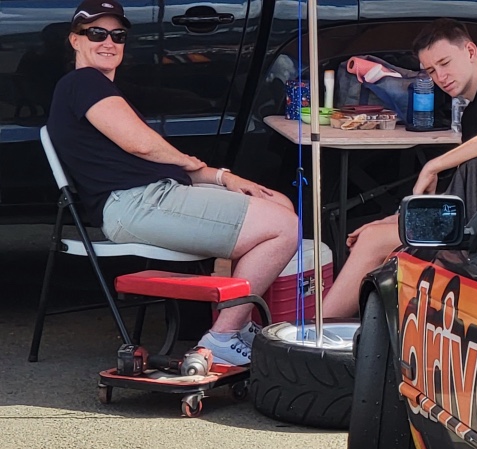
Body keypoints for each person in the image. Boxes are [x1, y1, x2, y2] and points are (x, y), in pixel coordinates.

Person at [47, 0, 298, 366]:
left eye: (118, 35)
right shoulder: (82, 83)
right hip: (136, 202)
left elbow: (156, 157)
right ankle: (223, 337)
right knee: (283, 228)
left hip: (155, 195)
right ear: (75, 40)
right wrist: (185, 160)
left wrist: (226, 177)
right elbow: (143, 146)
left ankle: (234, 323)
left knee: (279, 204)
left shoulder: (105, 91)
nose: (109, 42)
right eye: (96, 33)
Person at [321, 18, 477, 318]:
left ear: (470, 51)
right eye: (430, 70)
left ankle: (317, 331)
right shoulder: (473, 107)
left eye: (445, 63)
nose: (440, 76)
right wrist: (393, 219)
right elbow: (460, 193)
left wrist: (432, 165)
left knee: (375, 241)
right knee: (372, 233)